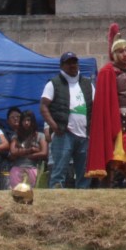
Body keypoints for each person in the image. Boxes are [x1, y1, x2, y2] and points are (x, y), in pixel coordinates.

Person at [86, 38, 126, 188]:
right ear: (114, 53)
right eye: (121, 51)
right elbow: (105, 102)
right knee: (115, 154)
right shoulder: (107, 72)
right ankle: (109, 186)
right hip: (115, 119)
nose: (125, 54)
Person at [40, 51, 93, 189]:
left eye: (74, 62)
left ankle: (83, 198)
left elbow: (95, 106)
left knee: (84, 172)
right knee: (59, 172)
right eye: (69, 63)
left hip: (84, 135)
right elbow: (43, 106)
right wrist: (53, 126)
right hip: (64, 133)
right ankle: (57, 200)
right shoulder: (54, 83)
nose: (73, 65)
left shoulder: (87, 84)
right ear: (62, 65)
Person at [8, 111, 47, 189]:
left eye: (29, 120)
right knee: (16, 194)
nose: (26, 123)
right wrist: (31, 150)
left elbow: (44, 153)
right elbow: (12, 151)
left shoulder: (40, 136)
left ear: (33, 122)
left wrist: (26, 154)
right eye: (24, 120)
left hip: (34, 169)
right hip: (17, 169)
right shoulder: (16, 136)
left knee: (32, 195)